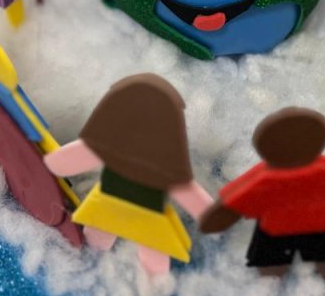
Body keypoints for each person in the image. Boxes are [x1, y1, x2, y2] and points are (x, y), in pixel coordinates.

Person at [45, 74, 212, 275]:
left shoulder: (160, 164)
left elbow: (72, 159)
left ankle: (151, 278)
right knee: (106, 238)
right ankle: (143, 275)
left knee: (143, 249)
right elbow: (78, 156)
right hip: (119, 207)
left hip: (123, 209)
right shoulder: (115, 147)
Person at [200, 107, 325, 285]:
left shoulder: (270, 180)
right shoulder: (320, 174)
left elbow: (238, 200)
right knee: (307, 259)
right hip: (309, 226)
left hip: (290, 227)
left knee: (289, 261)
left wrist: (218, 218)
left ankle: (303, 278)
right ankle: (319, 278)